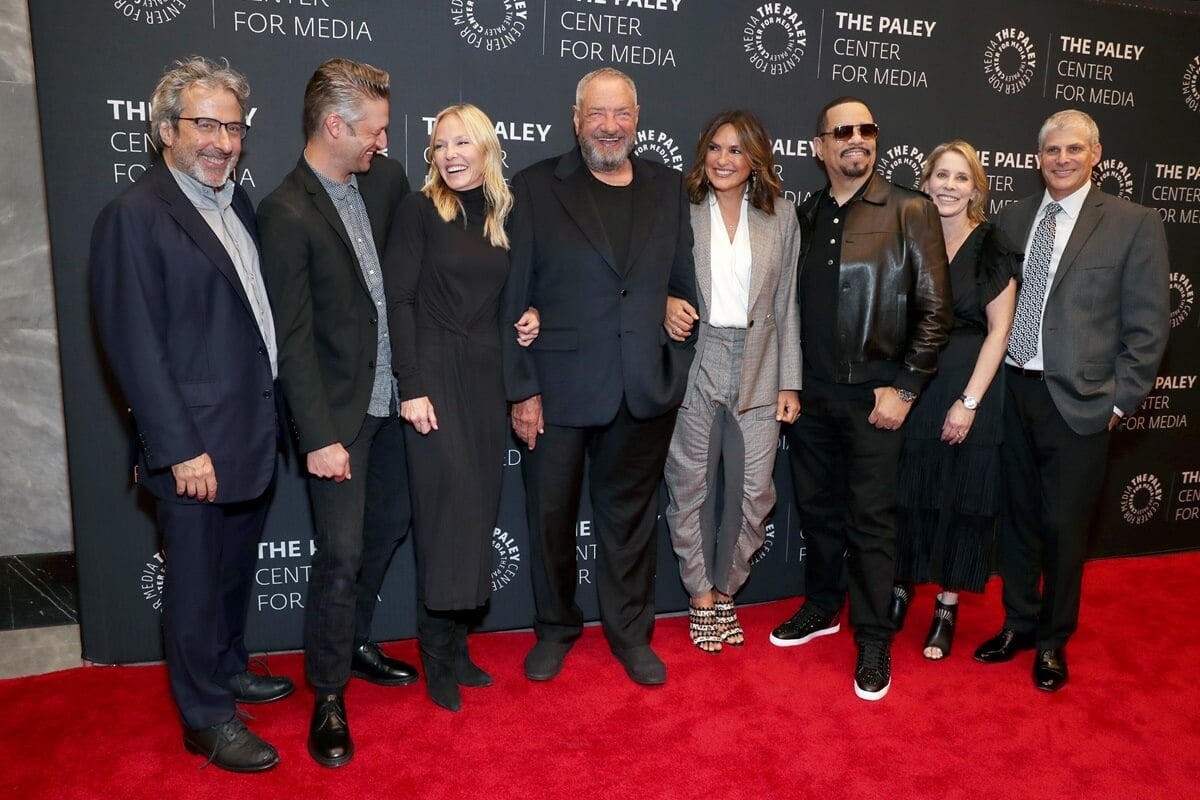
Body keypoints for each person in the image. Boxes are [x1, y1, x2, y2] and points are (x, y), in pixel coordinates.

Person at [90, 56, 289, 772]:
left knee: (231, 576)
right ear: (166, 128)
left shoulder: (234, 203)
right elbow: (134, 346)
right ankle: (204, 717)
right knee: (197, 583)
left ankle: (228, 665)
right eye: (207, 124)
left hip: (250, 430)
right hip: (195, 447)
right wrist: (178, 448)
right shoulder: (133, 217)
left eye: (234, 128)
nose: (224, 142)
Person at [501, 67, 698, 686]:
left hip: (641, 387)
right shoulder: (535, 188)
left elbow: (682, 284)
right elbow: (514, 296)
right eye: (596, 114)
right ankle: (556, 628)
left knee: (631, 522)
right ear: (576, 117)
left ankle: (630, 633)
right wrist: (522, 386)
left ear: (637, 119)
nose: (609, 127)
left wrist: (671, 327)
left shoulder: (668, 189)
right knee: (550, 518)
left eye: (621, 115)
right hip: (556, 392)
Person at [973, 110, 1169, 692]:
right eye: (1052, 150)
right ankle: (1018, 624)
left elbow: (1148, 326)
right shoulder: (1011, 219)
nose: (1061, 159)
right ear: (1038, 157)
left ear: (1096, 154)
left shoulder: (1134, 223)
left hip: (1081, 402)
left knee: (1064, 527)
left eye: (1073, 149)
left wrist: (1118, 402)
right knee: (1019, 522)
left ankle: (1054, 641)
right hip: (1013, 392)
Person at [258, 58, 415, 767]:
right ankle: (327, 690)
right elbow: (291, 340)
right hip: (339, 419)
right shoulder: (285, 211)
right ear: (334, 125)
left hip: (394, 405)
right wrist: (318, 436)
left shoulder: (383, 183)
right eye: (374, 132)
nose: (383, 143)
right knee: (342, 553)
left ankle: (352, 643)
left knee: (388, 530)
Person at [767, 96, 951, 701]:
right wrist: (789, 383)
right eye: (840, 131)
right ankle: (822, 607)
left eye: (865, 129)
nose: (855, 139)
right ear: (818, 147)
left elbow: (934, 312)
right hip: (811, 396)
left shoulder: (910, 210)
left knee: (870, 524)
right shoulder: (804, 214)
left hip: (877, 399)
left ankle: (873, 637)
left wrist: (904, 388)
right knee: (818, 514)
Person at [384, 104, 538, 712]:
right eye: (440, 144)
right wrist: (410, 384)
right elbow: (399, 300)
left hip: (483, 379)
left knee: (475, 513)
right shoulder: (420, 211)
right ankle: (435, 653)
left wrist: (532, 318)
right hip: (434, 375)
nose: (449, 154)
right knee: (445, 512)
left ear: (486, 149)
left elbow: (519, 296)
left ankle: (458, 645)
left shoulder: (503, 216)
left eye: (461, 143)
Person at [662, 110, 801, 653]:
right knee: (689, 484)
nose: (723, 159)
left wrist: (790, 382)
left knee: (754, 493)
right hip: (695, 355)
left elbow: (787, 304)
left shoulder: (781, 216)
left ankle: (728, 590)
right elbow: (651, 279)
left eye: (736, 151)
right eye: (716, 148)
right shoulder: (680, 209)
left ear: (755, 161)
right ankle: (700, 595)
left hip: (761, 360)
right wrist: (663, 306)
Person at [888, 141, 1019, 660]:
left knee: (961, 499)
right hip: (912, 384)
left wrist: (968, 402)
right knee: (906, 491)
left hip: (969, 383)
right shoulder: (907, 236)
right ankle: (900, 587)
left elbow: (999, 330)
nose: (948, 185)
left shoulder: (991, 246)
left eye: (960, 178)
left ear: (975, 189)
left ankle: (945, 606)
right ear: (924, 182)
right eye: (940, 175)